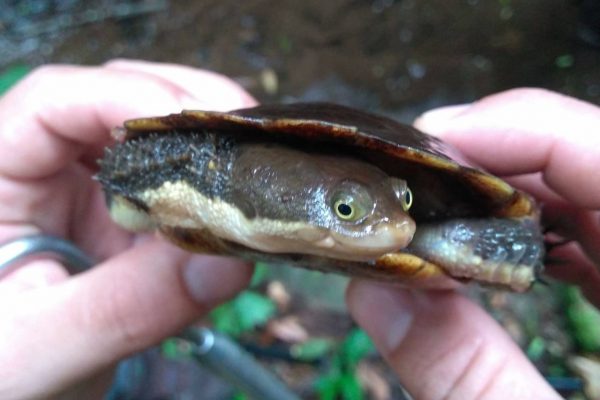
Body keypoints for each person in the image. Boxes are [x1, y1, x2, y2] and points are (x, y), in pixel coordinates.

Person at [0, 60, 597, 400]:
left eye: (403, 201)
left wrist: (518, 246)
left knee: (454, 234)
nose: (398, 224)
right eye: (345, 211)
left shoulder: (415, 225)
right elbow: (124, 163)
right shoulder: (203, 164)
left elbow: (427, 216)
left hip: (429, 217)